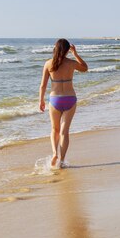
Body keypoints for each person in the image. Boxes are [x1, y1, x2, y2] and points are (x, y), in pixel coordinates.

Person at [39, 38, 88, 168]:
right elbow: (85, 68)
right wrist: (75, 54)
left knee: (55, 129)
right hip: (70, 98)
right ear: (67, 50)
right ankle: (62, 160)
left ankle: (55, 153)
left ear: (55, 49)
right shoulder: (71, 63)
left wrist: (41, 101)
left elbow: (43, 85)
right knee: (64, 132)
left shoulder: (48, 64)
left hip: (55, 99)